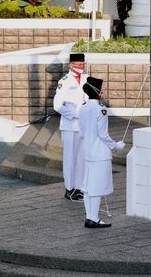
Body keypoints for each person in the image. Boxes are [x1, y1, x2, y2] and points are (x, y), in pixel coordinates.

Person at [79, 77, 125, 228]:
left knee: (87, 186)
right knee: (96, 187)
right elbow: (103, 135)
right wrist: (116, 146)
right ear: (98, 92)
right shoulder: (101, 110)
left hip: (87, 152)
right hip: (100, 154)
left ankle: (89, 216)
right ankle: (93, 218)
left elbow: (82, 131)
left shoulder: (83, 108)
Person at [53, 53, 90, 201]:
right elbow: (57, 105)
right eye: (78, 64)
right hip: (69, 125)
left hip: (83, 125)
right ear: (71, 65)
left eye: (83, 64)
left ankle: (79, 188)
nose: (81, 66)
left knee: (81, 158)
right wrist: (74, 113)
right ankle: (69, 189)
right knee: (69, 158)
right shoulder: (65, 81)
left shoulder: (87, 79)